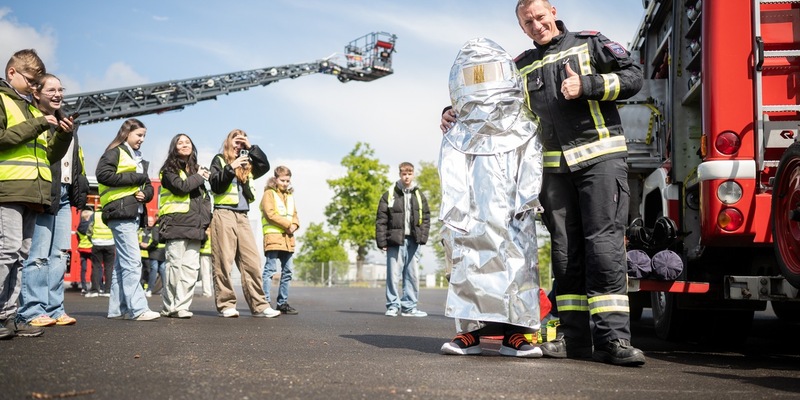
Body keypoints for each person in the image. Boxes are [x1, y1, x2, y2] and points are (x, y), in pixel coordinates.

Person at [441, 0, 645, 366]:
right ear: (522, 27)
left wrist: (588, 84)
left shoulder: (589, 43)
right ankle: (572, 337)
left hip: (600, 160)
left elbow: (633, 77)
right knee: (564, 254)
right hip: (553, 171)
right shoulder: (519, 66)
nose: (537, 25)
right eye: (528, 21)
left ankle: (614, 339)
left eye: (540, 16)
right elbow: (490, 102)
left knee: (603, 249)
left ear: (553, 11)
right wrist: (453, 111)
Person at [438, 38, 545, 358]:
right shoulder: (459, 129)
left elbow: (531, 160)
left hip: (513, 210)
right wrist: (456, 209)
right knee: (469, 266)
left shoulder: (523, 124)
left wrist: (527, 199)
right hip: (472, 211)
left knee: (518, 267)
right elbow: (451, 167)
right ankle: (470, 333)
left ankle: (518, 334)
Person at [0, 49, 73, 339]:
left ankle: (8, 317)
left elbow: (48, 155)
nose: (34, 87)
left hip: (32, 191)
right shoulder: (5, 101)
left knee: (20, 256)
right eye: (31, 81)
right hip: (8, 189)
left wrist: (64, 134)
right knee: (6, 252)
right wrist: (40, 122)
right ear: (11, 73)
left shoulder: (32, 110)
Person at [18, 73, 87, 328]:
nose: (58, 94)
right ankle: (31, 310)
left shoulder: (67, 122)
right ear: (37, 93)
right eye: (52, 89)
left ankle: (55, 308)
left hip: (66, 194)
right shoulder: (34, 119)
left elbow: (73, 162)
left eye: (61, 89)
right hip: (45, 192)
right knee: (37, 256)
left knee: (59, 255)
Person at [208, 129, 279, 318]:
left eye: (242, 142)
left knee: (252, 261)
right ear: (228, 142)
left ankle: (260, 305)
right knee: (224, 260)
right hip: (223, 213)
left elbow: (264, 165)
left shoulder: (248, 164)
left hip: (242, 216)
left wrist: (251, 147)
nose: (239, 146)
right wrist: (232, 166)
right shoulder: (219, 160)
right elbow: (215, 184)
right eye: (236, 141)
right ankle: (226, 304)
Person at [95, 118, 159, 321]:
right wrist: (137, 179)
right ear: (126, 133)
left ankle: (118, 309)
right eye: (139, 135)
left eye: (144, 136)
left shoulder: (136, 158)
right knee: (133, 261)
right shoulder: (115, 152)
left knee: (122, 265)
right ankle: (138, 309)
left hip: (130, 212)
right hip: (120, 211)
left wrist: (146, 195)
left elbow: (148, 185)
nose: (142, 139)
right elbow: (103, 175)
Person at [156, 133, 212, 319]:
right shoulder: (168, 170)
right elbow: (181, 187)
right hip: (176, 224)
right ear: (174, 147)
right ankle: (169, 306)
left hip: (195, 228)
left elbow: (205, 199)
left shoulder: (196, 171)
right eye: (180, 142)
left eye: (188, 141)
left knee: (190, 270)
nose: (185, 144)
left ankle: (181, 306)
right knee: (175, 267)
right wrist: (199, 176)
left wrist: (205, 222)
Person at [375, 162, 431, 318]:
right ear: (400, 174)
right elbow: (381, 219)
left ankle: (409, 307)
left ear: (413, 174)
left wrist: (423, 237)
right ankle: (393, 305)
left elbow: (426, 217)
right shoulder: (390, 194)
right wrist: (382, 242)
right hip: (394, 240)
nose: (407, 177)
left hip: (414, 240)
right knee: (393, 274)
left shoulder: (419, 195)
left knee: (412, 275)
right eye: (404, 174)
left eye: (409, 173)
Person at [260, 166, 300, 315]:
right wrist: (288, 225)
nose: (285, 183)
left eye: (288, 181)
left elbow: (295, 214)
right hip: (273, 237)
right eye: (282, 180)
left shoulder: (290, 196)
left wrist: (295, 225)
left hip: (288, 239)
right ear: (275, 179)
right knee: (270, 270)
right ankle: (265, 302)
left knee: (287, 271)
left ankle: (282, 303)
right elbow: (270, 214)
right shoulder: (269, 194)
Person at [84, 207, 114, 298]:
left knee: (96, 267)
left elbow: (89, 229)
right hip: (110, 243)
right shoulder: (112, 213)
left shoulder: (95, 215)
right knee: (109, 267)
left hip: (97, 243)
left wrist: (92, 239)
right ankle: (108, 290)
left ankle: (94, 290)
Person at [143, 216, 166, 298]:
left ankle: (150, 289)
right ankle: (165, 290)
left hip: (155, 252)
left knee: (154, 270)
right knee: (163, 270)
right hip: (163, 251)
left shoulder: (155, 228)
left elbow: (155, 241)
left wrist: (148, 247)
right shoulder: (164, 227)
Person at [76, 208, 94, 294]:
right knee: (96, 268)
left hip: (82, 249)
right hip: (91, 249)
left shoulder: (79, 227)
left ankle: (83, 287)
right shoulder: (91, 226)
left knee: (83, 269)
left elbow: (78, 239)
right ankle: (96, 286)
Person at [197, 227, 213, 297]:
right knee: (210, 273)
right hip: (213, 253)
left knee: (205, 273)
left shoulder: (204, 232)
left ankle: (207, 292)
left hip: (204, 253)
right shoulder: (214, 232)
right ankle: (210, 291)